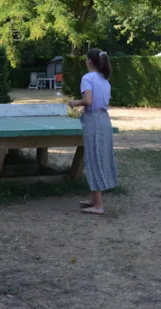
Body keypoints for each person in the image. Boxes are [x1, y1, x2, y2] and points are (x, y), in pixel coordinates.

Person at [67, 49, 118, 215]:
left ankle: (98, 206)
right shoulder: (105, 79)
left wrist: (75, 102)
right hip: (104, 120)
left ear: (89, 61)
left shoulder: (87, 78)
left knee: (93, 159)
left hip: (93, 121)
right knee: (100, 157)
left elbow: (88, 101)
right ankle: (95, 200)